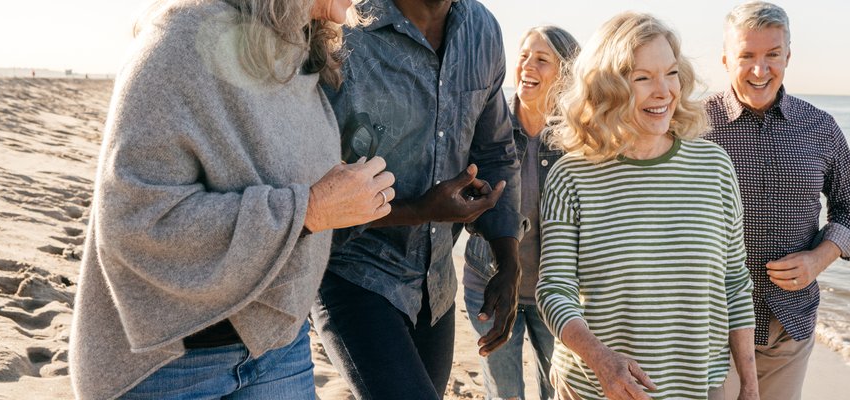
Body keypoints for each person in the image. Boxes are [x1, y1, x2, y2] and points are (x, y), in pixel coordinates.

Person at [68, 0, 393, 398]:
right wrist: (310, 208)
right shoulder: (179, 42)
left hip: (278, 344)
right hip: (171, 362)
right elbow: (137, 219)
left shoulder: (299, 52)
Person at [538, 12, 760, 400]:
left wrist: (750, 386)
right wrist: (600, 358)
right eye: (642, 78)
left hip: (697, 386)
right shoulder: (571, 176)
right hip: (597, 387)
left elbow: (735, 283)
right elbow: (554, 290)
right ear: (607, 87)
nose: (664, 92)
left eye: (671, 73)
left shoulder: (714, 167)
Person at [309, 0, 523, 398]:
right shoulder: (343, 28)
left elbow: (495, 151)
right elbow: (311, 185)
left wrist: (509, 260)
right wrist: (418, 211)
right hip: (352, 272)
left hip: (437, 284)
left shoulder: (483, 30)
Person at [702, 2, 850, 399]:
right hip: (711, 326)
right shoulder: (692, 126)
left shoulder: (820, 127)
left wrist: (819, 259)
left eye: (772, 55)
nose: (760, 70)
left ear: (788, 56)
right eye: (746, 56)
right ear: (725, 59)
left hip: (788, 327)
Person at [463, 25, 580, 400]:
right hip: (490, 285)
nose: (527, 65)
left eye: (542, 59)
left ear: (565, 73)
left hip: (557, 295)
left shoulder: (579, 139)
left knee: (559, 391)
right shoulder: (487, 126)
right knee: (505, 394)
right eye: (524, 56)